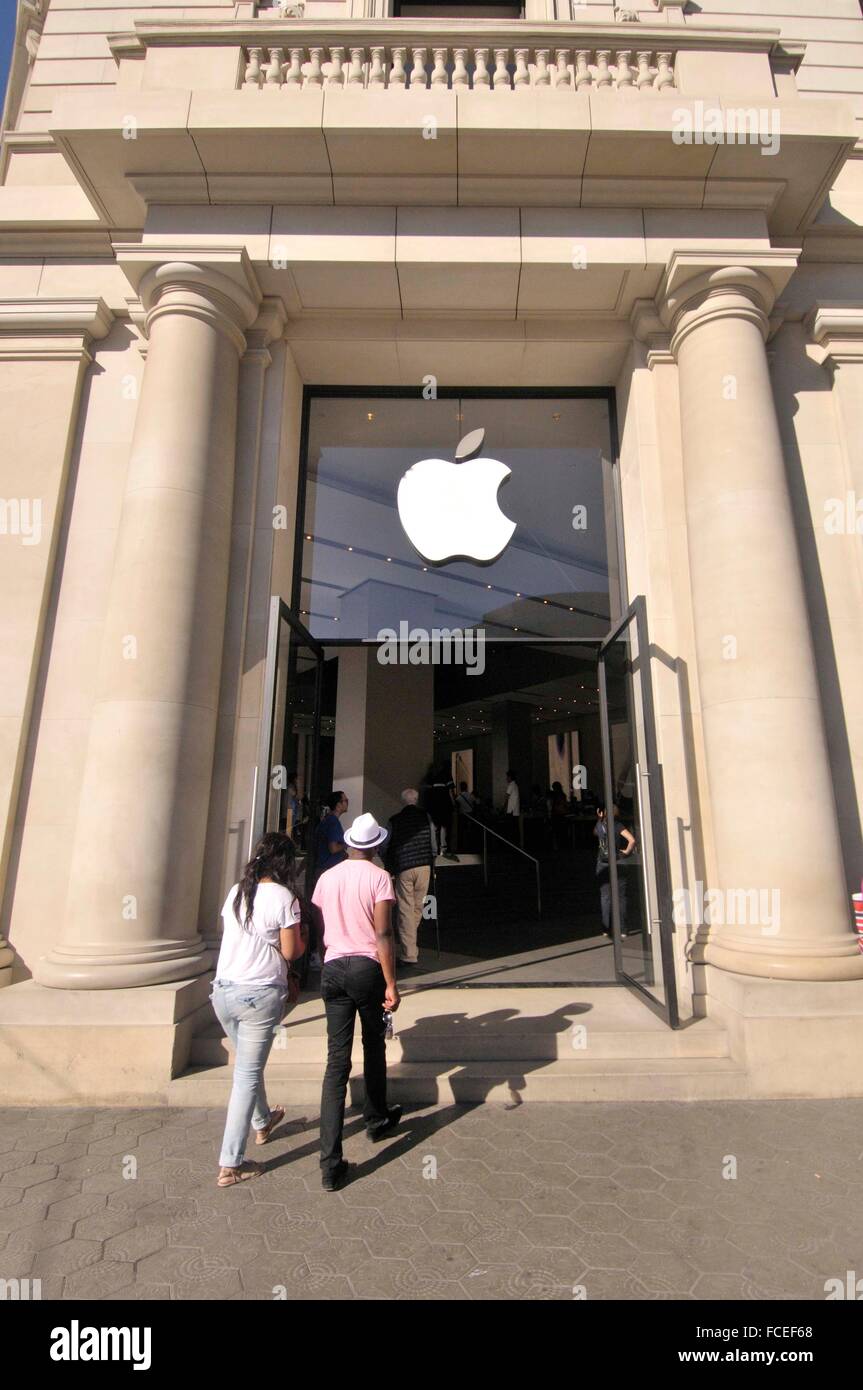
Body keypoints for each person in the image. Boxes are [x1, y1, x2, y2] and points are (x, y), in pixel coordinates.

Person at [312, 811, 401, 1191]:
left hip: (333, 966)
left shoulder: (327, 877)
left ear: (350, 843)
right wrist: (391, 982)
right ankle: (376, 1117)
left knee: (337, 1063)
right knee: (373, 1044)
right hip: (366, 966)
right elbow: (383, 934)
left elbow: (321, 927)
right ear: (376, 845)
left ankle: (330, 1161)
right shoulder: (379, 877)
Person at [212, 832, 306, 1188]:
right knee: (246, 1076)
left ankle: (263, 1122)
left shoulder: (237, 891)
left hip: (224, 992)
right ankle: (230, 1164)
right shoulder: (284, 896)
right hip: (259, 993)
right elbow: (291, 950)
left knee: (249, 1068)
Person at [387, 788, 436, 967]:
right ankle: (410, 947)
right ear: (416, 800)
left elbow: (387, 843)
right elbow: (432, 840)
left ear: (404, 801)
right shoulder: (426, 817)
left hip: (405, 866)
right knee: (418, 906)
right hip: (424, 865)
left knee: (406, 909)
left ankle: (409, 953)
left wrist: (388, 863)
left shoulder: (395, 820)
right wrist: (433, 857)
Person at [594, 802, 636, 936]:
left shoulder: (598, 826)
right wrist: (626, 852)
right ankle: (623, 929)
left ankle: (606, 928)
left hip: (603, 863)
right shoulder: (618, 826)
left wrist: (600, 816)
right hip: (618, 861)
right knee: (621, 897)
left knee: (605, 897)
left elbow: (596, 834)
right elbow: (632, 840)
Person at [425, 762, 458, 860]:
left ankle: (434, 850)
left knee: (434, 827)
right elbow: (451, 792)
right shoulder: (447, 775)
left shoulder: (431, 775)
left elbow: (427, 792)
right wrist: (454, 804)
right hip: (444, 805)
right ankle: (443, 849)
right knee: (443, 827)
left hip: (433, 805)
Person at [316, 790, 348, 873]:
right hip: (329, 869)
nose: (347, 803)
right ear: (338, 805)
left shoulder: (327, 820)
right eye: (345, 801)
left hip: (324, 868)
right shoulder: (333, 822)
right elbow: (333, 848)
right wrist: (347, 844)